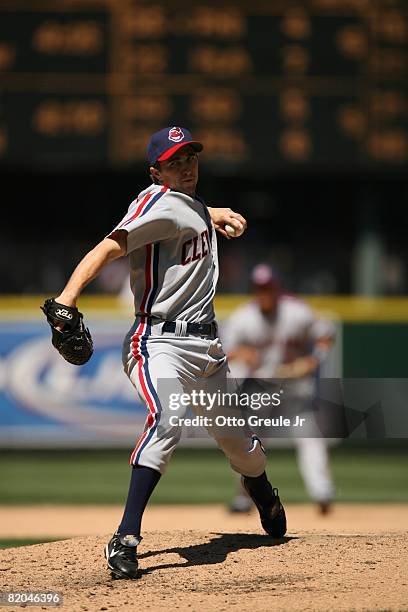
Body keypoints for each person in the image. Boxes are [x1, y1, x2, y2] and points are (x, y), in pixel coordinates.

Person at [51, 127, 287, 580]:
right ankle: (125, 538)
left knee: (245, 451)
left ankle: (261, 491)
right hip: (159, 343)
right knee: (169, 417)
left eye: (191, 157)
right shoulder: (157, 202)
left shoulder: (188, 202)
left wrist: (211, 212)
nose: (187, 166)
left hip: (208, 349)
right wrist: (67, 298)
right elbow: (111, 246)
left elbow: (185, 214)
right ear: (156, 170)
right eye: (175, 161)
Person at [223, 263, 335, 515]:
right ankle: (244, 498)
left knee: (310, 437)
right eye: (259, 288)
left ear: (277, 288)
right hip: (262, 387)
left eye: (268, 287)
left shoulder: (297, 312)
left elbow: (326, 335)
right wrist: (242, 353)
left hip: (296, 386)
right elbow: (225, 351)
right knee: (249, 444)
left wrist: (314, 359)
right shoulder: (244, 317)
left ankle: (322, 492)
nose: (264, 293)